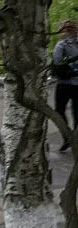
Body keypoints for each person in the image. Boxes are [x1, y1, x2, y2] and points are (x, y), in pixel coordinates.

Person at [53, 20, 78, 152]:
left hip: (64, 84)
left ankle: (67, 137)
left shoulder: (61, 45)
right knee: (77, 113)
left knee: (59, 111)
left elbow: (57, 62)